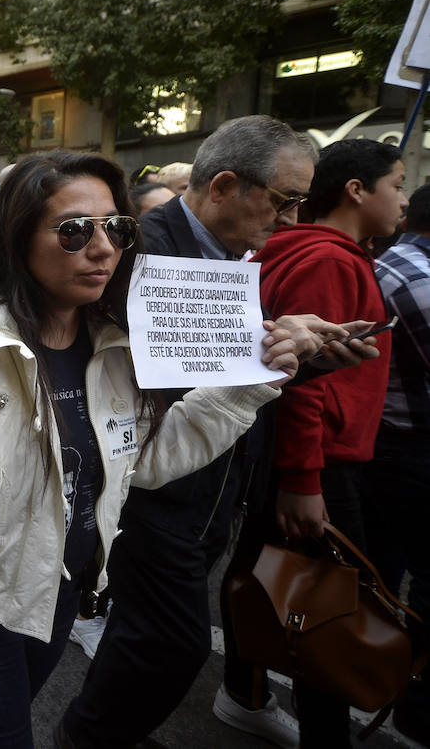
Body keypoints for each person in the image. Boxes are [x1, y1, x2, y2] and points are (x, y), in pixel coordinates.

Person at [0, 150, 303, 748]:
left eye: (116, 229)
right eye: (73, 230)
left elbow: (142, 464)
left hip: (56, 595)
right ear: (19, 237)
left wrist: (250, 385)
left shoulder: (116, 348)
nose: (102, 248)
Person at [60, 116, 366, 749]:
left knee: (142, 635)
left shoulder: (232, 256)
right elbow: (147, 377)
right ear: (224, 184)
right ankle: (89, 734)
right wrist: (267, 351)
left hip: (216, 487)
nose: (293, 219)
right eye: (285, 201)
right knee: (174, 643)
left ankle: (99, 728)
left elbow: (226, 375)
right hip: (154, 487)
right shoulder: (136, 250)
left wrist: (293, 353)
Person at [248, 138, 405, 748]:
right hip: (321, 464)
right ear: (356, 191)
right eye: (395, 183)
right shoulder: (330, 261)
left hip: (310, 459)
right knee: (326, 614)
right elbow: (303, 380)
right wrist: (303, 478)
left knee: (277, 589)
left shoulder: (314, 251)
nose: (404, 197)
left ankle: (246, 694)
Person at [367, 182, 430, 742]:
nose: (400, 197)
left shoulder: (384, 262)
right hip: (408, 449)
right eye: (394, 185)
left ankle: (370, 675)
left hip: (382, 444)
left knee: (380, 571)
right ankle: (419, 708)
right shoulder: (415, 278)